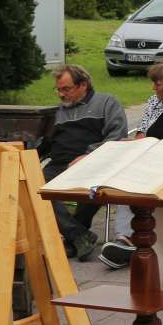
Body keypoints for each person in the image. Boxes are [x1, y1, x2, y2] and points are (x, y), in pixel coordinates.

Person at [100, 62, 163, 270]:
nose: (153, 88)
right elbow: (142, 135)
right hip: (149, 162)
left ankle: (138, 243)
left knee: (145, 183)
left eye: (157, 83)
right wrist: (120, 147)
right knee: (125, 179)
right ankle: (125, 239)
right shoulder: (155, 103)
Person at [38, 64, 127, 261]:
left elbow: (118, 137)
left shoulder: (106, 103)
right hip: (60, 164)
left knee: (95, 186)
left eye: (66, 89)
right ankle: (79, 235)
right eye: (58, 89)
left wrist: (89, 155)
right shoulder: (56, 113)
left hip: (95, 162)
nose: (61, 95)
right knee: (34, 186)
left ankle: (73, 239)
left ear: (83, 85)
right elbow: (43, 145)